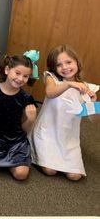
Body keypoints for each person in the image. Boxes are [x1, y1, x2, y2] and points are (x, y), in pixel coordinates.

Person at [30, 45, 99, 181]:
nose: (65, 67)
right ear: (54, 68)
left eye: (68, 62)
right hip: (47, 133)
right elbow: (50, 93)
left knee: (75, 176)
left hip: (68, 137)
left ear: (77, 63)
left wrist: (93, 103)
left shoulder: (86, 86)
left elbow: (94, 120)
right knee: (50, 170)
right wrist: (69, 84)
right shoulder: (52, 78)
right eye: (59, 65)